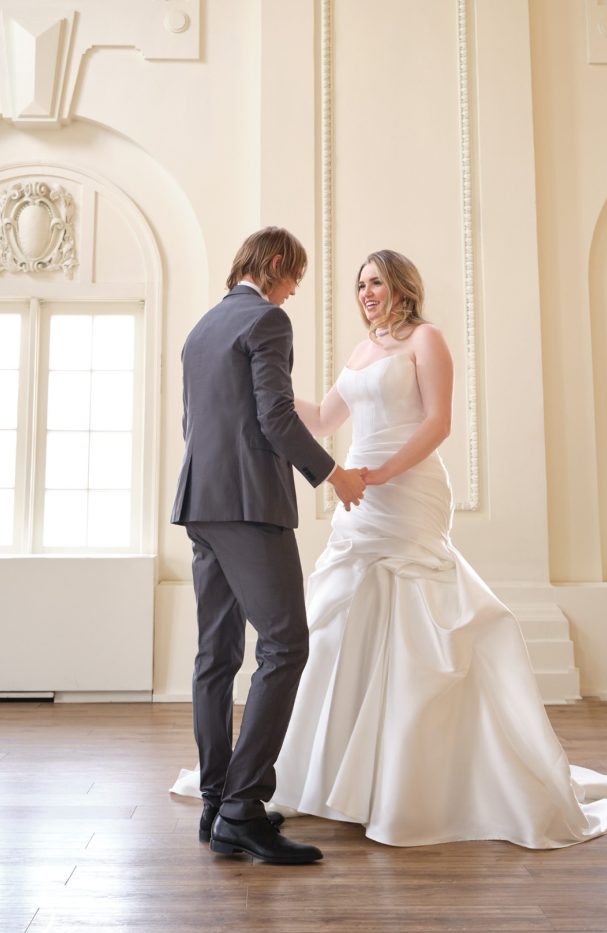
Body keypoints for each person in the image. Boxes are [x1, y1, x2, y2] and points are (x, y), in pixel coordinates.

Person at [266, 248, 607, 848]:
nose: (367, 293)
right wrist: (267, 385)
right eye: (361, 284)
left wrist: (382, 472)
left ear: (402, 287)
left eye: (377, 282)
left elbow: (437, 423)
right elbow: (323, 419)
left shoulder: (427, 340)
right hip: (361, 496)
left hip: (406, 489)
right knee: (340, 623)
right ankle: (334, 774)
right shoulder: (361, 351)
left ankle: (417, 779)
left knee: (420, 622)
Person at [170, 227, 366, 865]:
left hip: (201, 503)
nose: (290, 295)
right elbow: (275, 416)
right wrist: (334, 475)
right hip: (250, 508)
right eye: (293, 282)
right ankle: (243, 807)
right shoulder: (268, 322)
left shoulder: (201, 329)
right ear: (277, 266)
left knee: (216, 654)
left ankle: (213, 800)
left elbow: (192, 424)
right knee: (286, 643)